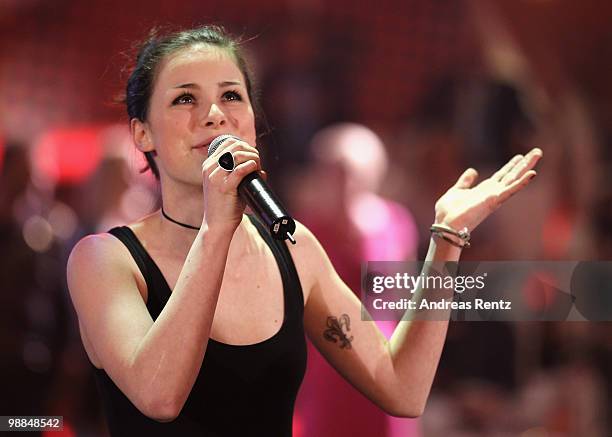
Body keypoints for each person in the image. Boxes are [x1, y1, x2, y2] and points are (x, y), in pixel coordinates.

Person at [66, 25, 543, 436]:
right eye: (185, 98)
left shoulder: (292, 249)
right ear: (142, 133)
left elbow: (402, 386)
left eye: (231, 95)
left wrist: (446, 240)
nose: (214, 115)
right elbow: (159, 396)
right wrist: (216, 228)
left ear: (252, 121)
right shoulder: (105, 259)